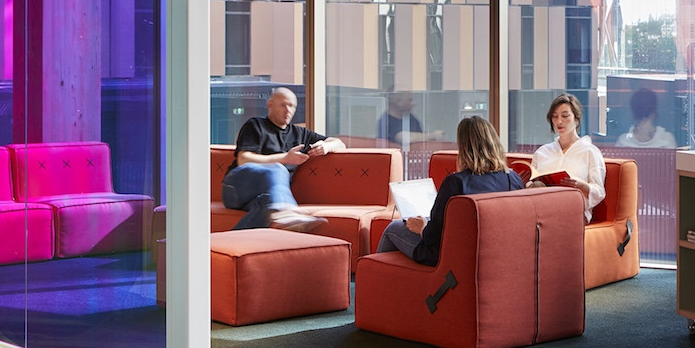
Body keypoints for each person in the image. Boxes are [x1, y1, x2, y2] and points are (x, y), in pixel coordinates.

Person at [374, 115, 522, 266]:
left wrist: (422, 227)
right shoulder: (514, 179)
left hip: (448, 254)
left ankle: (375, 282)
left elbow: (433, 236)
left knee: (393, 228)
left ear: (463, 148)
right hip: (495, 251)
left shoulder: (456, 182)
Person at [221, 86, 346, 232]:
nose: (288, 110)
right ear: (270, 105)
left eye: (292, 106)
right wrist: (286, 158)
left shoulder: (299, 133)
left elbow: (340, 143)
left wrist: (326, 147)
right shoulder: (255, 125)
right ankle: (288, 211)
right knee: (277, 169)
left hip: (263, 196)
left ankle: (231, 240)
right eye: (283, 105)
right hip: (235, 189)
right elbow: (243, 160)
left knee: (269, 208)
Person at [529, 93, 606, 224]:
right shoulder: (542, 152)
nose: (559, 121)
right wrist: (528, 183)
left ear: (576, 119)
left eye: (565, 116)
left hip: (574, 212)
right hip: (541, 210)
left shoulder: (590, 151)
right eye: (555, 117)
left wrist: (582, 186)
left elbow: (599, 192)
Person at [376, 90, 444, 145]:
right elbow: (403, 138)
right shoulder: (386, 121)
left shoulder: (411, 119)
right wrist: (433, 135)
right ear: (397, 101)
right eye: (410, 100)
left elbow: (421, 138)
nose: (414, 103)